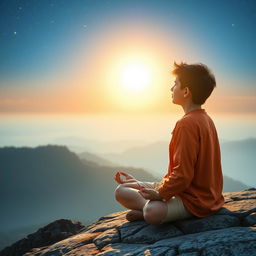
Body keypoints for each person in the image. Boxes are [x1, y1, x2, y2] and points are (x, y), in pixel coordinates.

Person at [114, 62, 225, 224]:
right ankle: (147, 206)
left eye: (175, 84)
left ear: (186, 91)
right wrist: (144, 184)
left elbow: (183, 176)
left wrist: (159, 195)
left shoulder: (186, 124)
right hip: (199, 194)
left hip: (194, 200)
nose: (171, 89)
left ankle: (146, 209)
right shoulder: (206, 119)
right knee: (122, 190)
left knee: (153, 212)